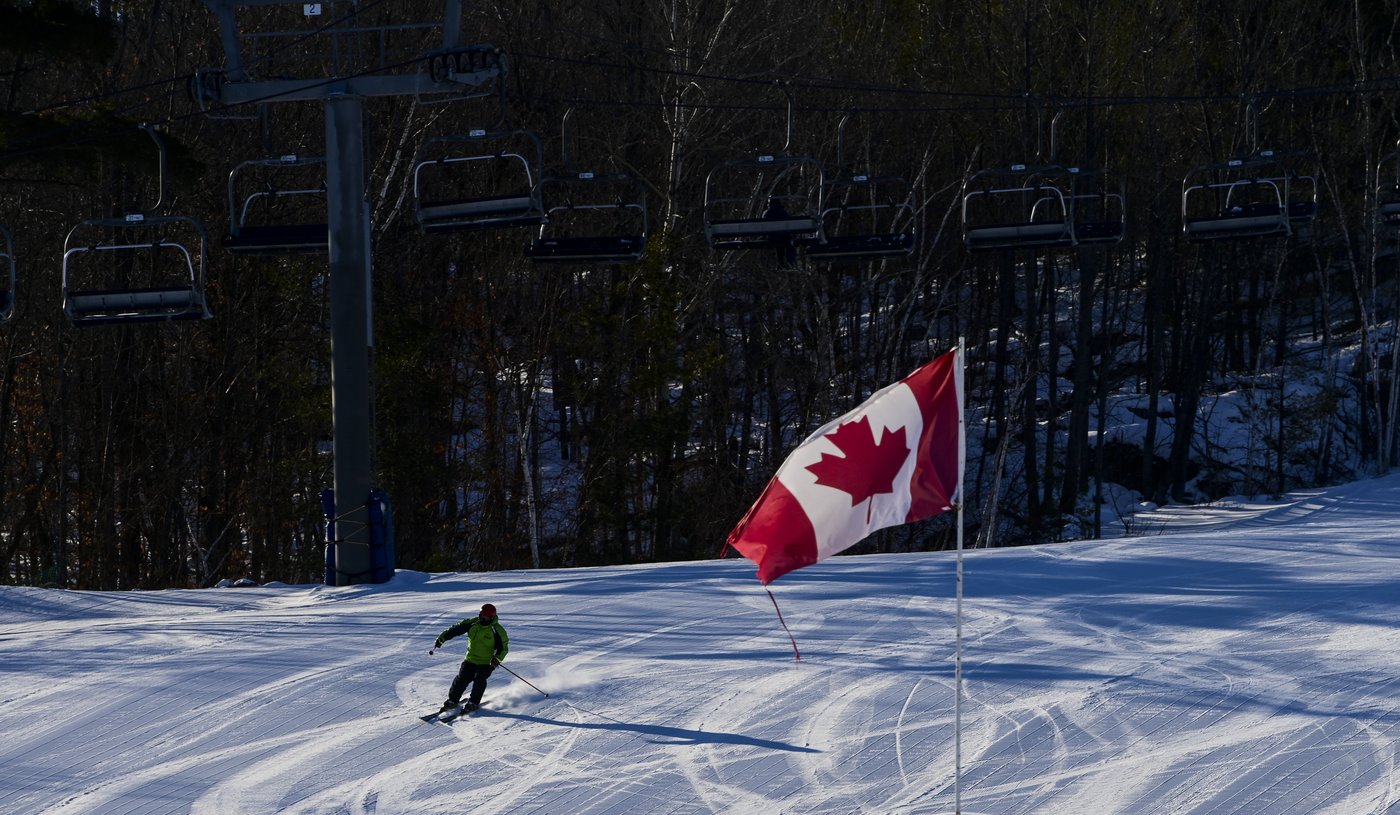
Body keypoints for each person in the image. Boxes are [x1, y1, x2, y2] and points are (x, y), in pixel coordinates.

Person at [432, 603, 509, 713]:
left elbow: (503, 648)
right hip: (470, 659)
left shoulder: (497, 630)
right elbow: (455, 629)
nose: (482, 618)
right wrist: (442, 638)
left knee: (479, 680)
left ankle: (473, 703)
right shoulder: (473, 623)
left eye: (485, 617)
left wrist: (497, 659)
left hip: (487, 662)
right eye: (481, 615)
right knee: (461, 679)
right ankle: (452, 700)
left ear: (491, 617)